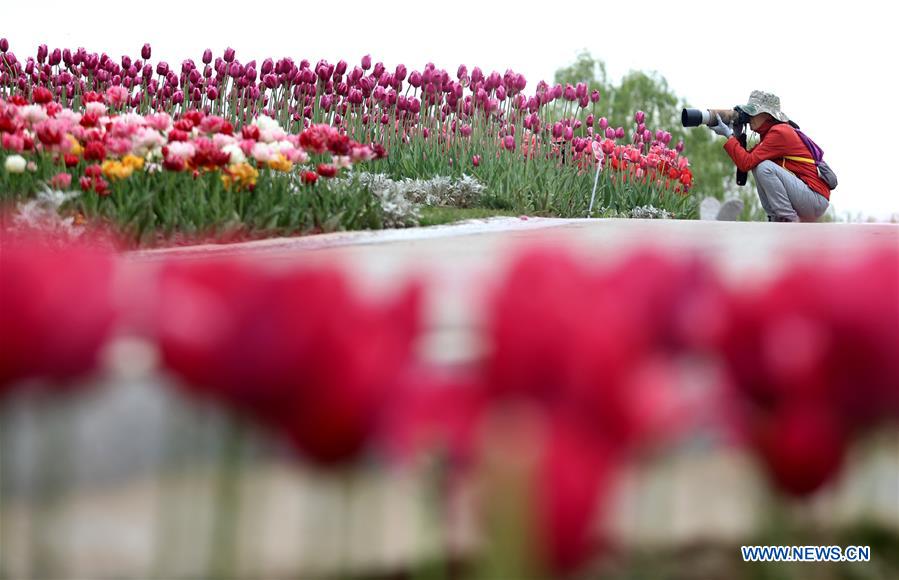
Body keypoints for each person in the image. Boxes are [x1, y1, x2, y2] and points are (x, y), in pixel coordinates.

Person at [710, 90, 830, 222]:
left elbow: (746, 162)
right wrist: (736, 136)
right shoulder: (771, 133)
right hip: (809, 197)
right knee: (758, 165)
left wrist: (729, 136)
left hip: (815, 198)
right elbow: (747, 160)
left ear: (767, 115)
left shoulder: (780, 132)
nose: (749, 117)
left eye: (753, 112)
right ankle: (775, 219)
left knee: (764, 167)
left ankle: (787, 219)